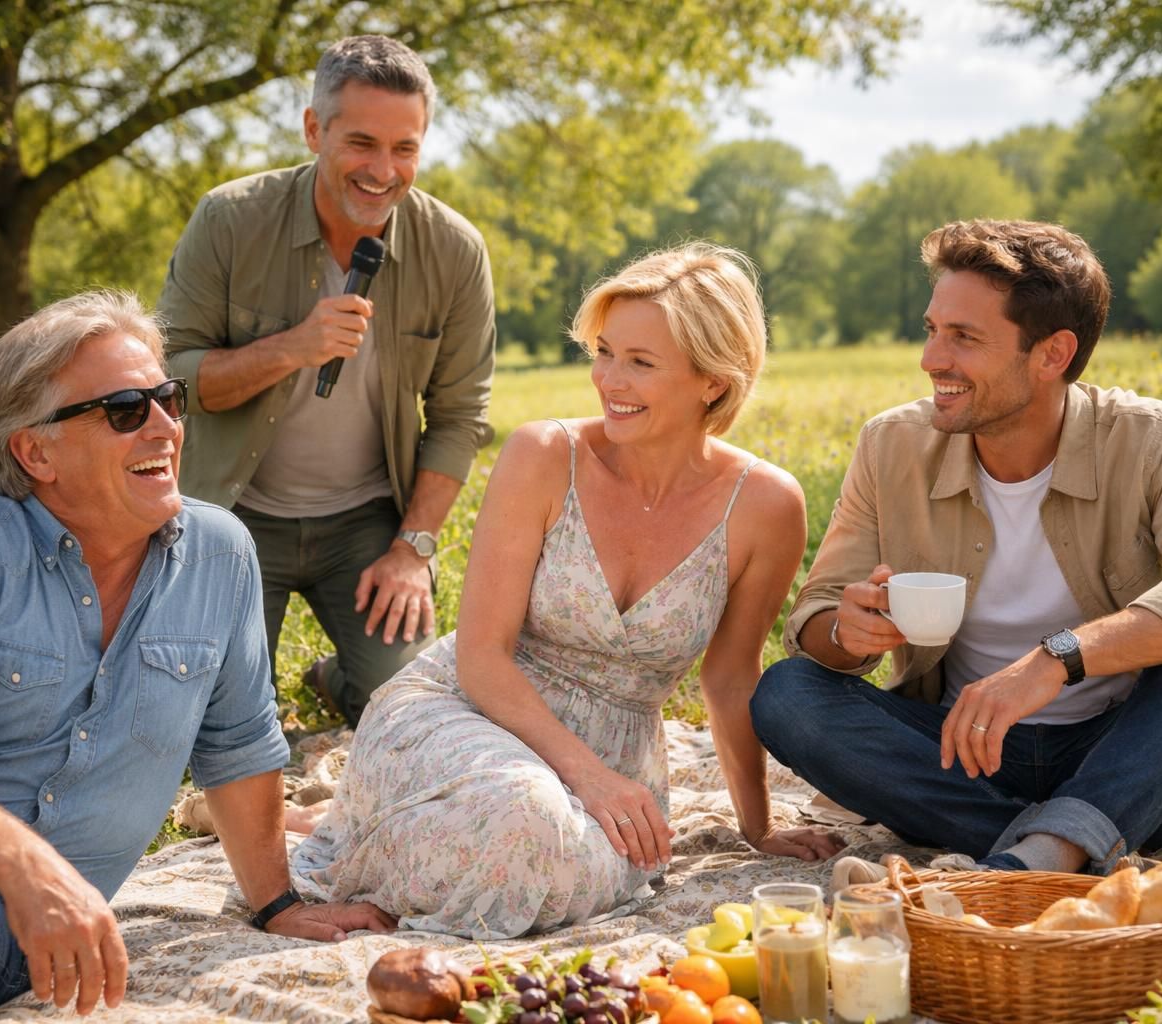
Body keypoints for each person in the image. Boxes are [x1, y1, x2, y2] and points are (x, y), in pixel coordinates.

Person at [0, 292, 394, 1024]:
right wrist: (29, 862)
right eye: (126, 409)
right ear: (36, 452)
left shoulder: (221, 555)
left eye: (167, 398)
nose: (166, 426)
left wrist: (278, 903)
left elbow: (238, 746)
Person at [289, 243, 845, 938]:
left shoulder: (766, 504)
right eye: (605, 352)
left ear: (713, 380)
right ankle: (361, 816)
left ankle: (366, 815)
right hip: (471, 709)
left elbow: (730, 678)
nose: (608, 379)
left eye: (640, 363)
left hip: (614, 754)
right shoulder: (544, 457)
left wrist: (757, 827)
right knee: (526, 816)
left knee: (549, 841)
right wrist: (588, 778)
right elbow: (483, 656)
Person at [751, 219, 1162, 877]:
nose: (931, 360)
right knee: (787, 695)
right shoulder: (890, 445)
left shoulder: (1149, 438)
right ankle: (1062, 846)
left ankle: (1038, 844)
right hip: (959, 753)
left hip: (1126, 751)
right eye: (932, 330)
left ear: (1051, 355)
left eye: (964, 338)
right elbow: (817, 623)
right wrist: (848, 631)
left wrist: (1053, 662)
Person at [158, 35, 496, 726]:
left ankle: (338, 678)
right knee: (211, 719)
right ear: (314, 129)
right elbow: (173, 382)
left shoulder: (455, 250)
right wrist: (291, 348)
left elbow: (461, 419)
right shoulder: (228, 219)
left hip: (368, 524)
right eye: (362, 143)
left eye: (405, 149)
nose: (383, 170)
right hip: (233, 514)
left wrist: (412, 549)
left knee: (413, 712)